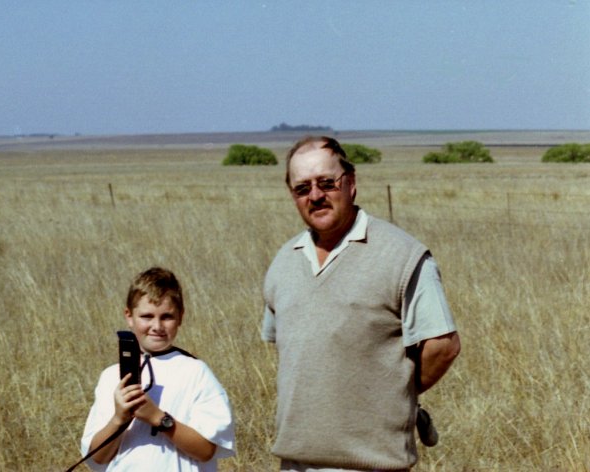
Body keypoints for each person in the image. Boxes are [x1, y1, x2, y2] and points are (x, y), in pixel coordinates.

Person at [262, 136, 461, 472]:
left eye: (327, 183)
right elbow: (288, 350)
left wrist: (392, 394)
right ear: (292, 195)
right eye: (302, 188)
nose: (315, 196)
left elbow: (443, 346)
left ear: (351, 184)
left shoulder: (402, 256)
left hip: (371, 464)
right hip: (294, 462)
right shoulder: (284, 261)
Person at [80, 267, 235, 471]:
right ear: (129, 316)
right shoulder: (111, 376)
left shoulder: (196, 372)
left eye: (167, 317)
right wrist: (119, 418)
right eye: (147, 316)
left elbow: (206, 450)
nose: (157, 326)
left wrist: (158, 418)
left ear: (180, 317)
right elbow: (98, 456)